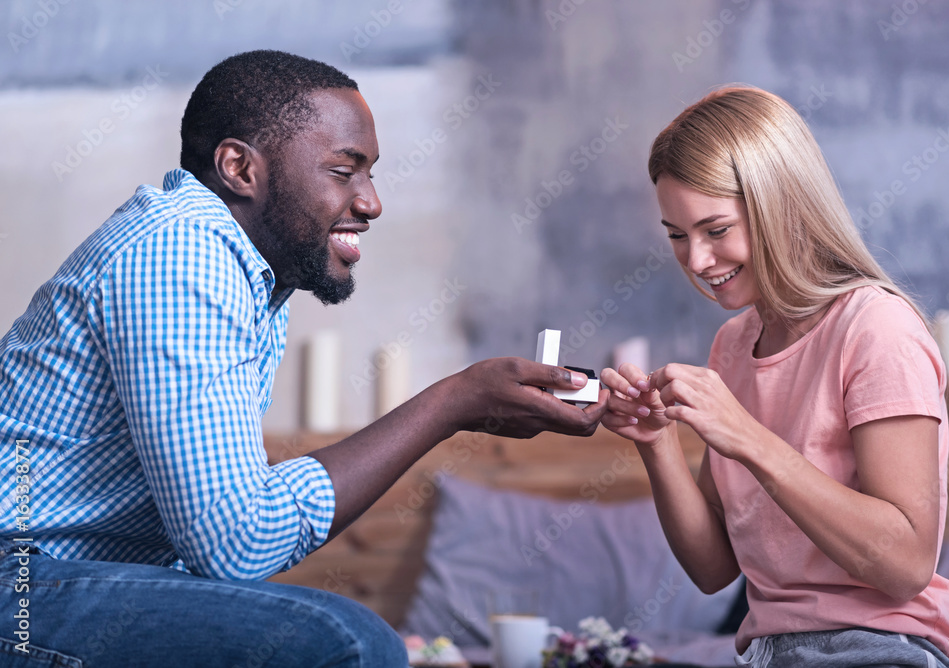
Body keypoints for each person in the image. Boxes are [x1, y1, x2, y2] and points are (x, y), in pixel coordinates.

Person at [0, 50, 607, 667]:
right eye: (345, 172)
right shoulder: (179, 254)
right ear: (240, 167)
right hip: (17, 586)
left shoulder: (252, 272)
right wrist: (453, 402)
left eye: (370, 175)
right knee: (347, 641)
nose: (371, 203)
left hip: (63, 576)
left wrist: (464, 404)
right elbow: (237, 543)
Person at [599, 86, 949, 668]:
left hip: (881, 648)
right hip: (773, 653)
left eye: (715, 229)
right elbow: (713, 569)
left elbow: (904, 566)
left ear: (780, 204)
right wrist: (657, 444)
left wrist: (748, 438)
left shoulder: (877, 329)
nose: (696, 260)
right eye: (677, 235)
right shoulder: (733, 344)